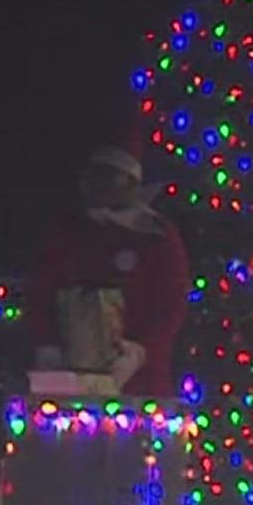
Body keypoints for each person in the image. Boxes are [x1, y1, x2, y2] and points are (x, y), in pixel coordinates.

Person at [25, 143, 188, 397]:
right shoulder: (68, 231)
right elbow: (41, 291)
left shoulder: (156, 236)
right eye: (93, 175)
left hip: (137, 380)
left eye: (109, 175)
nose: (97, 185)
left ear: (131, 183)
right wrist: (48, 348)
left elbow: (170, 305)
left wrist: (139, 353)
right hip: (68, 375)